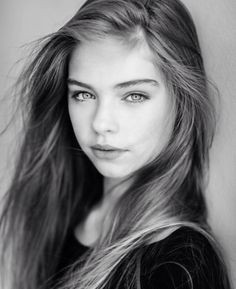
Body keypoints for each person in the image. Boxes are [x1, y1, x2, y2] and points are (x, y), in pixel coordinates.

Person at [0, 0, 232, 288]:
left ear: (181, 100)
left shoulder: (181, 267)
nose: (101, 123)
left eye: (134, 95)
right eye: (83, 95)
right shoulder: (62, 214)